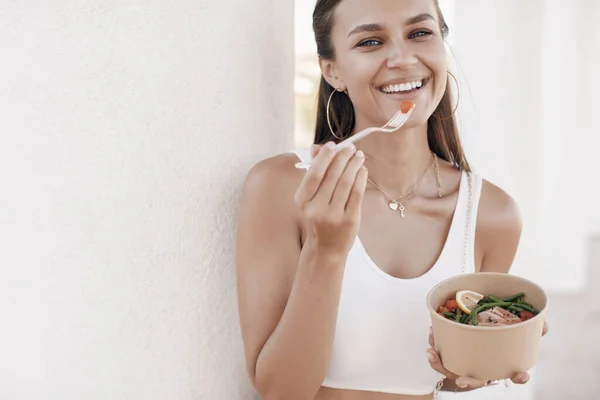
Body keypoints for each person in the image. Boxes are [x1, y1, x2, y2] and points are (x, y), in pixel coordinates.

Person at [236, 0, 546, 399]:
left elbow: (441, 373)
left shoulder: (492, 214)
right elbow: (282, 391)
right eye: (370, 41)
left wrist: (487, 357)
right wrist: (326, 250)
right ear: (332, 70)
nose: (402, 58)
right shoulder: (281, 186)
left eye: (420, 33)